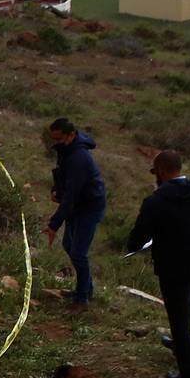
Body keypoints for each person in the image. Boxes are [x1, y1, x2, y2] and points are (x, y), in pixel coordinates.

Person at [126, 150, 190, 378]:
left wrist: (136, 246)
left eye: (155, 171)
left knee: (178, 319)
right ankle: (180, 344)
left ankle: (189, 377)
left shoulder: (155, 202)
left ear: (163, 171)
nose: (155, 176)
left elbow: (139, 237)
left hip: (174, 268)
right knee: (186, 303)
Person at [45, 118, 106, 307]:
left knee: (79, 253)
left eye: (58, 138)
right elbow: (63, 177)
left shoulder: (79, 157)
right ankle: (86, 289)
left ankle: (82, 299)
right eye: (52, 138)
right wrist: (57, 190)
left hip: (88, 207)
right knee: (69, 245)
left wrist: (53, 225)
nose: (55, 142)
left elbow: (72, 195)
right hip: (77, 204)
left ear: (71, 135)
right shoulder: (65, 150)